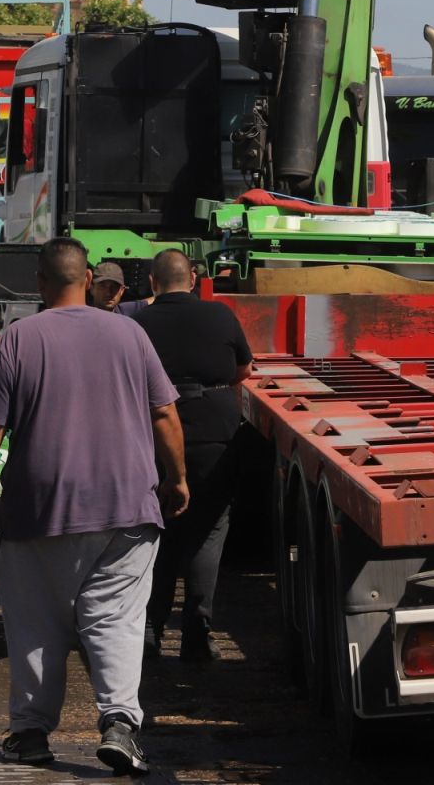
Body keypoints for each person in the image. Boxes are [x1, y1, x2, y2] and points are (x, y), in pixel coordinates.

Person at [0, 237, 189, 775]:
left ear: (39, 283)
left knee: (35, 622)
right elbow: (165, 415)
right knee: (116, 621)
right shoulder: (130, 333)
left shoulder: (17, 339)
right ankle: (119, 726)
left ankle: (32, 733)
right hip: (127, 507)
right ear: (89, 278)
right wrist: (177, 478)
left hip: (39, 508)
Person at [131, 248, 253, 663]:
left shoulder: (137, 323)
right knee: (209, 529)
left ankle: (150, 628)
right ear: (194, 278)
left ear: (152, 282)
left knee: (159, 530)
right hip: (214, 435)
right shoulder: (220, 315)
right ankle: (198, 634)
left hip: (152, 436)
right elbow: (243, 371)